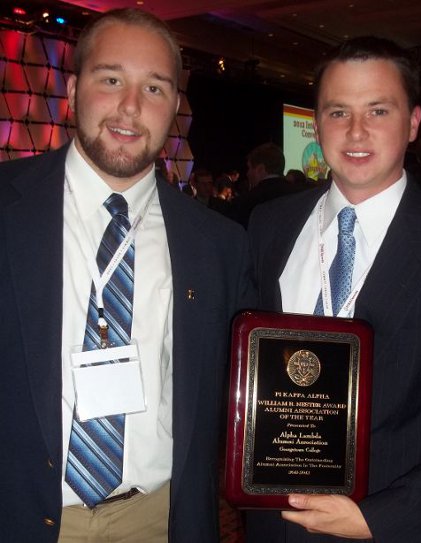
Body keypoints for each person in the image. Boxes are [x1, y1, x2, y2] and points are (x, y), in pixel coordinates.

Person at [0, 8, 255, 543]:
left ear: (176, 108)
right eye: (111, 79)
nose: (131, 107)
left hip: (157, 520)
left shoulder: (220, 245)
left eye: (155, 88)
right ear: (72, 90)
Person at [246, 36, 421, 542]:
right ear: (316, 124)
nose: (357, 131)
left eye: (379, 110)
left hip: (392, 525)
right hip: (273, 524)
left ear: (413, 122)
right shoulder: (267, 226)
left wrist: (380, 520)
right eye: (338, 112)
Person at [232, 142, 307, 228]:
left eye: (249, 168)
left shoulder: (245, 202)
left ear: (260, 169)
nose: (247, 173)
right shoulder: (300, 195)